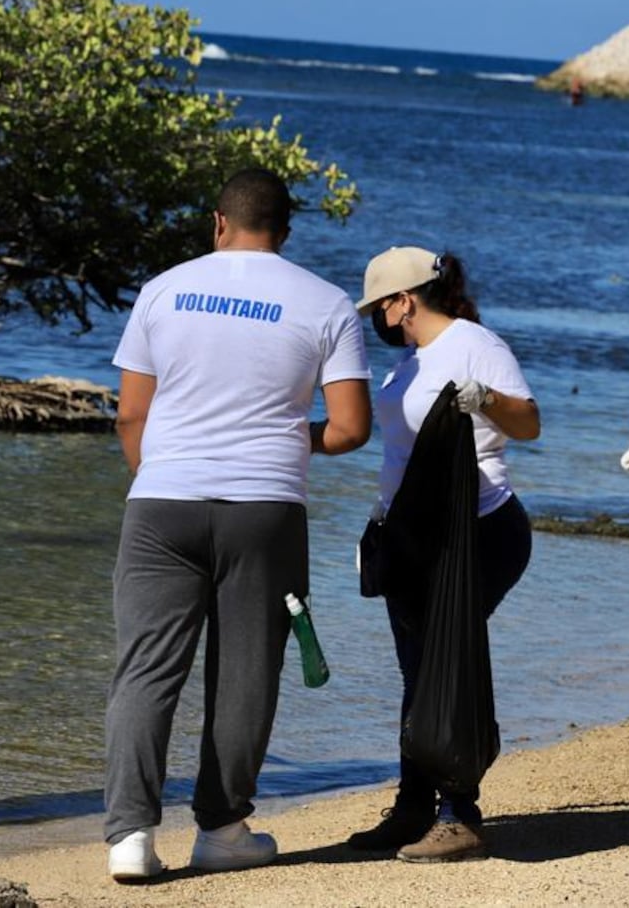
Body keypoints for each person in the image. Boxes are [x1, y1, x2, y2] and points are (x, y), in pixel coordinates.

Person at [103, 168, 372, 880]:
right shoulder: (327, 302)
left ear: (218, 223)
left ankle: (129, 837)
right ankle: (221, 830)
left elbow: (131, 414)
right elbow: (349, 428)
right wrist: (289, 438)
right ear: (284, 232)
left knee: (146, 670)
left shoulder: (162, 289)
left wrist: (155, 474)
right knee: (247, 674)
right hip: (266, 508)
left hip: (162, 502)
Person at [349, 245, 540, 863]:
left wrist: (485, 398)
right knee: (418, 673)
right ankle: (413, 809)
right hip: (411, 537)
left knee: (445, 665)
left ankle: (460, 814)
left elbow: (530, 423)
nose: (374, 318)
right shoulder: (408, 363)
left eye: (378, 306)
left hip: (478, 532)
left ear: (402, 301)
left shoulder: (474, 345)